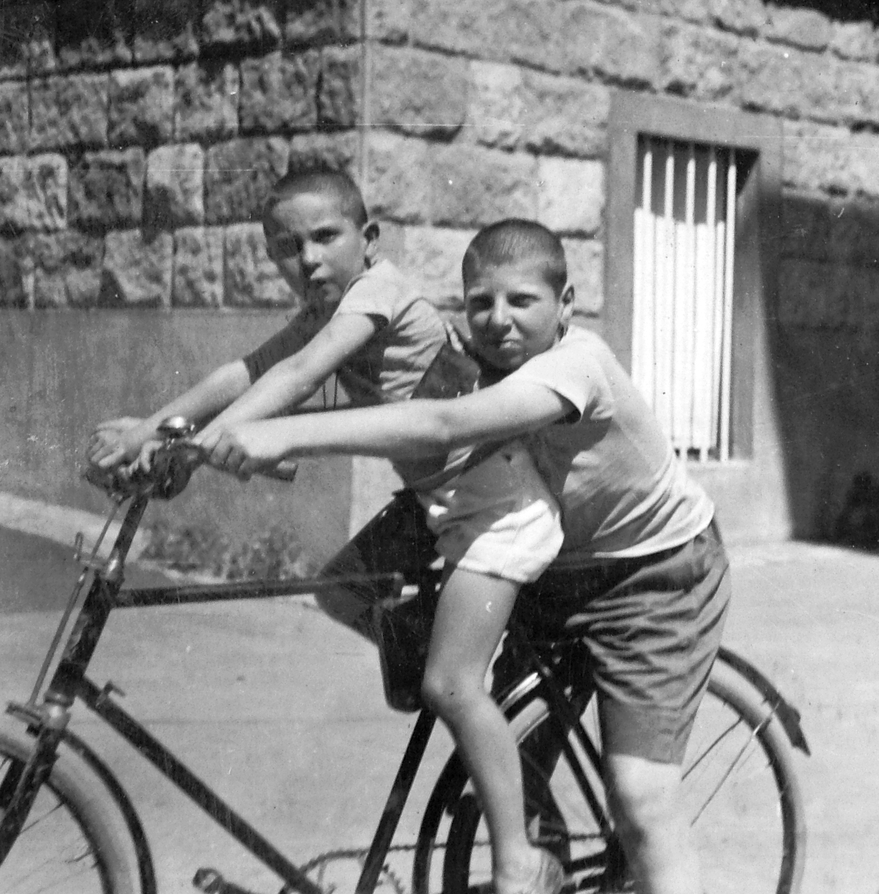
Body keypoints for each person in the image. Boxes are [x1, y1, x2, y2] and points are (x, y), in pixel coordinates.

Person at [202, 219, 731, 894]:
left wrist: (279, 437)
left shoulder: (577, 364)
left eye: (521, 302)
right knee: (413, 649)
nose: (499, 321)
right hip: (558, 565)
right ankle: (531, 847)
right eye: (481, 303)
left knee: (641, 802)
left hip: (653, 583)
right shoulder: (480, 363)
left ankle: (540, 859)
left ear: (566, 304)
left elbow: (441, 424)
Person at [86, 173, 565, 894]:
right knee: (342, 591)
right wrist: (153, 427)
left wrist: (201, 449)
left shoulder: (379, 290)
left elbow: (304, 374)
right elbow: (249, 368)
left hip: (498, 507)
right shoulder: (327, 306)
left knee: (451, 688)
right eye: (285, 247)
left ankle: (518, 858)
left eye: (323, 238)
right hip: (441, 502)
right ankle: (470, 702)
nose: (305, 259)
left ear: (366, 242)